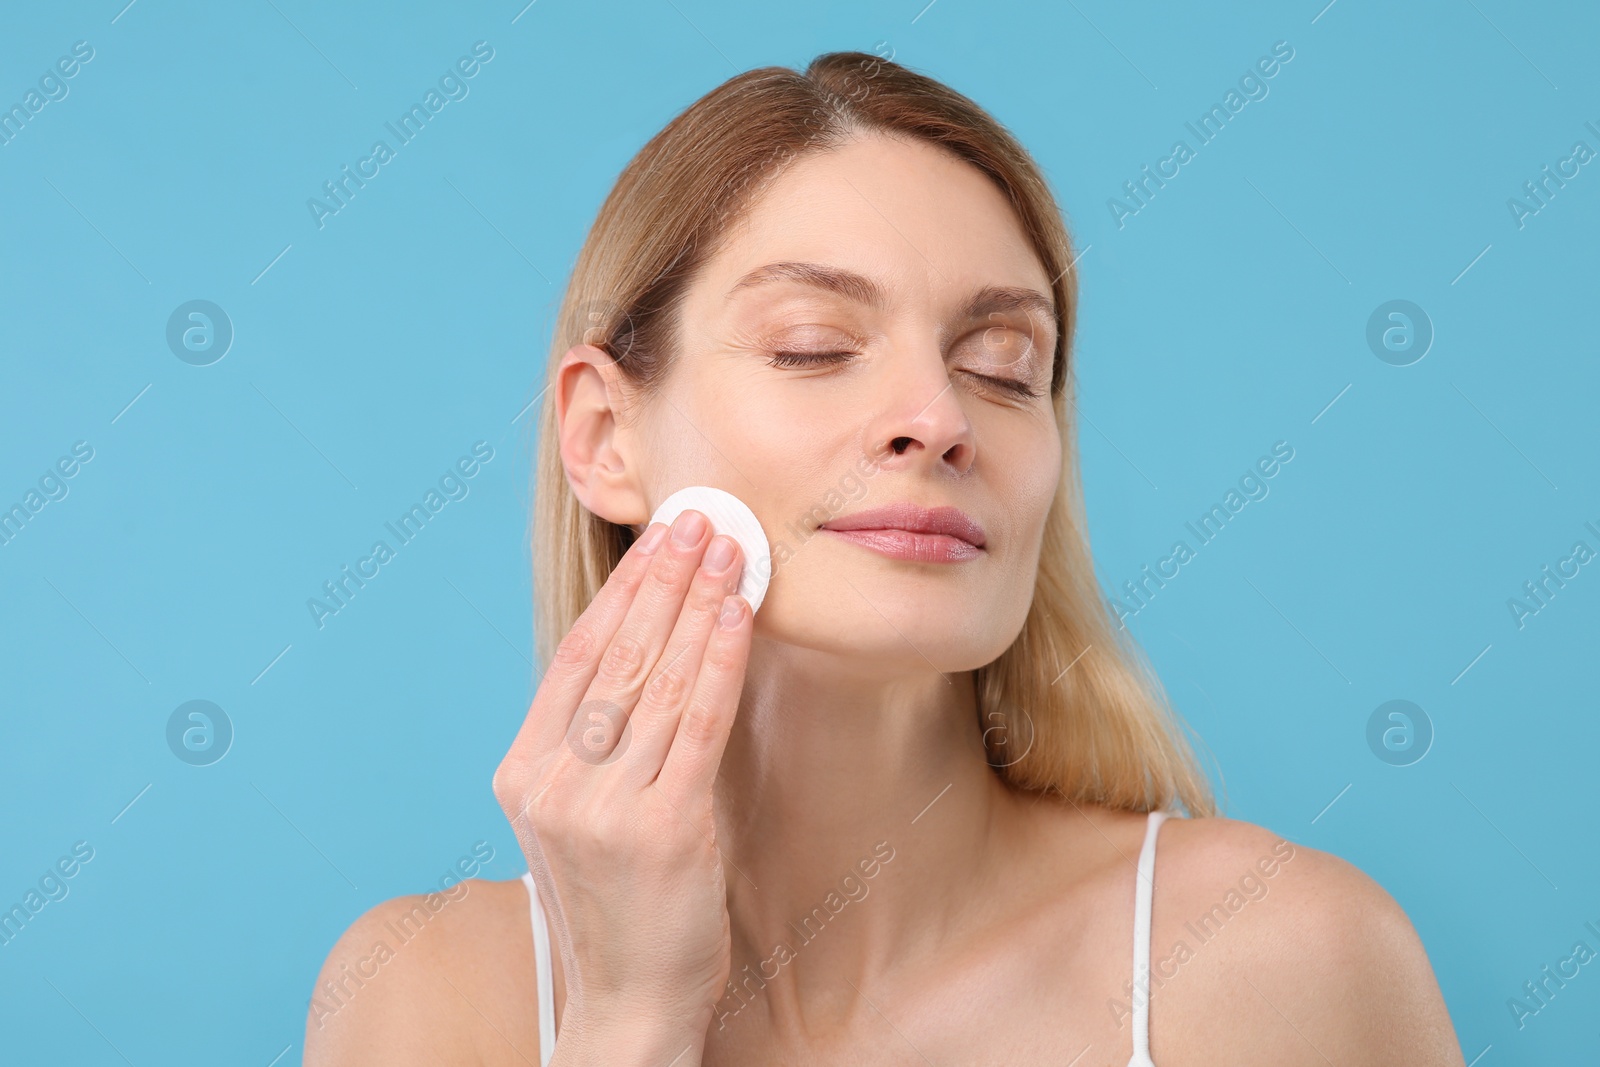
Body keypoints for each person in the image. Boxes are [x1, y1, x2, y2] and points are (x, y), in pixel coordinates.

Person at [305, 51, 1464, 1066]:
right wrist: (628, 1024)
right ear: (605, 438)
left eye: (1006, 364)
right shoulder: (423, 995)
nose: (935, 414)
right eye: (815, 347)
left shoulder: (1281, 957)